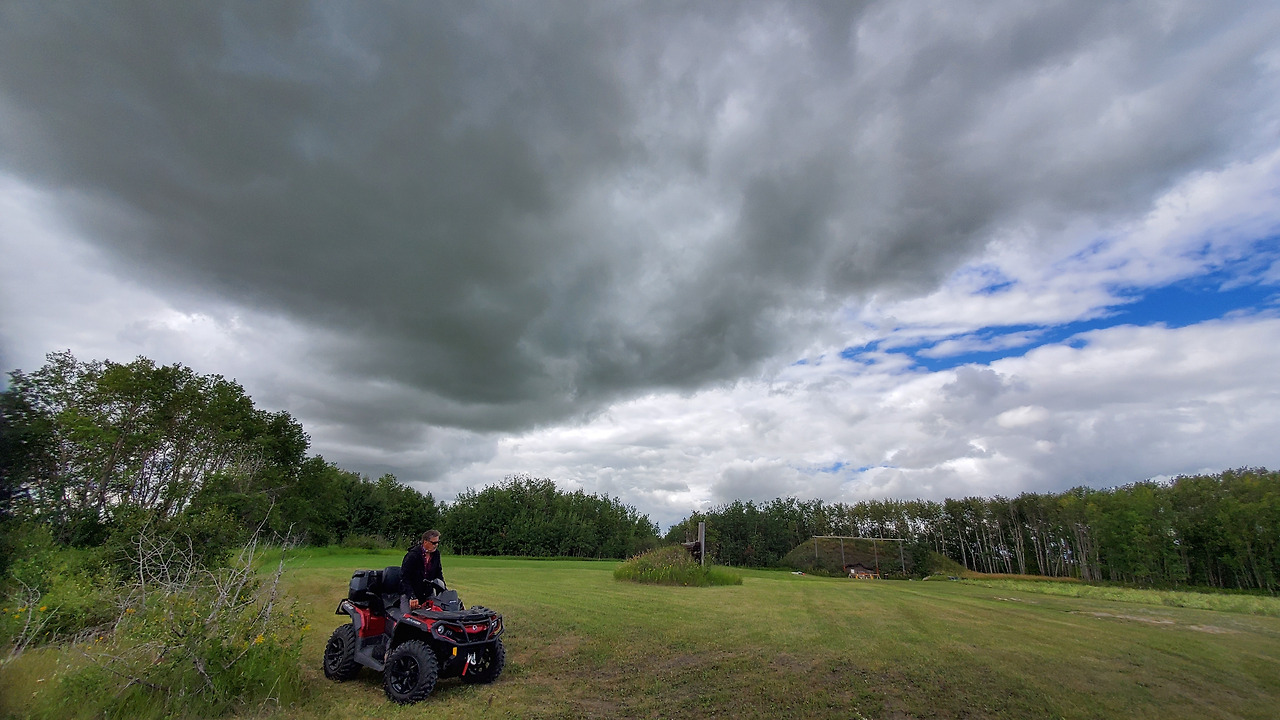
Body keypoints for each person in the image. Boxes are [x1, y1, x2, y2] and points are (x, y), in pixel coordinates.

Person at [401, 530, 444, 612]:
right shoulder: (412, 555)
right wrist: (412, 596)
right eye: (434, 543)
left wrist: (443, 591)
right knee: (407, 616)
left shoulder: (436, 554)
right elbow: (404, 578)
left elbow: (438, 573)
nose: (436, 545)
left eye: (438, 542)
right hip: (410, 593)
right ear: (425, 542)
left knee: (438, 613)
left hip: (428, 593)